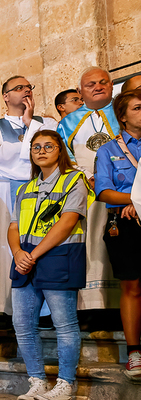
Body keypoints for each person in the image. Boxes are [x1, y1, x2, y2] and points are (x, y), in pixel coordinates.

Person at [8, 130, 89, 400]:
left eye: (48, 146)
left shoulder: (73, 180)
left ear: (60, 150)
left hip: (60, 255)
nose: (41, 151)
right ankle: (37, 381)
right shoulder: (25, 187)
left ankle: (65, 384)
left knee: (64, 324)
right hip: (25, 258)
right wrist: (18, 251)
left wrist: (33, 254)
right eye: (36, 147)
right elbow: (13, 226)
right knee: (22, 324)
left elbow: (67, 222)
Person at [0, 76, 58, 313]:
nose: (26, 90)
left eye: (29, 87)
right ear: (5, 96)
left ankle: (48, 309)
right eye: (19, 88)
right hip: (7, 192)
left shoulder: (46, 122)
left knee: (48, 242)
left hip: (46, 188)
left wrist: (29, 126)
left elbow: (53, 153)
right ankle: (11, 307)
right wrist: (29, 150)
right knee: (8, 249)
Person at [57, 67, 120, 311]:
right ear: (81, 91)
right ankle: (91, 307)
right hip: (84, 189)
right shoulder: (69, 122)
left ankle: (119, 305)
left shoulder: (122, 112)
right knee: (89, 245)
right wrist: (89, 176)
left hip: (121, 187)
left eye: (102, 82)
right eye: (90, 84)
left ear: (111, 85)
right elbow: (65, 154)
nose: (97, 86)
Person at [94, 88, 141, 379]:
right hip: (124, 224)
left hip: (134, 210)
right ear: (122, 117)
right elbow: (104, 191)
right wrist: (135, 202)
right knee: (132, 286)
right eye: (137, 107)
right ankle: (135, 352)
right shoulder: (109, 150)